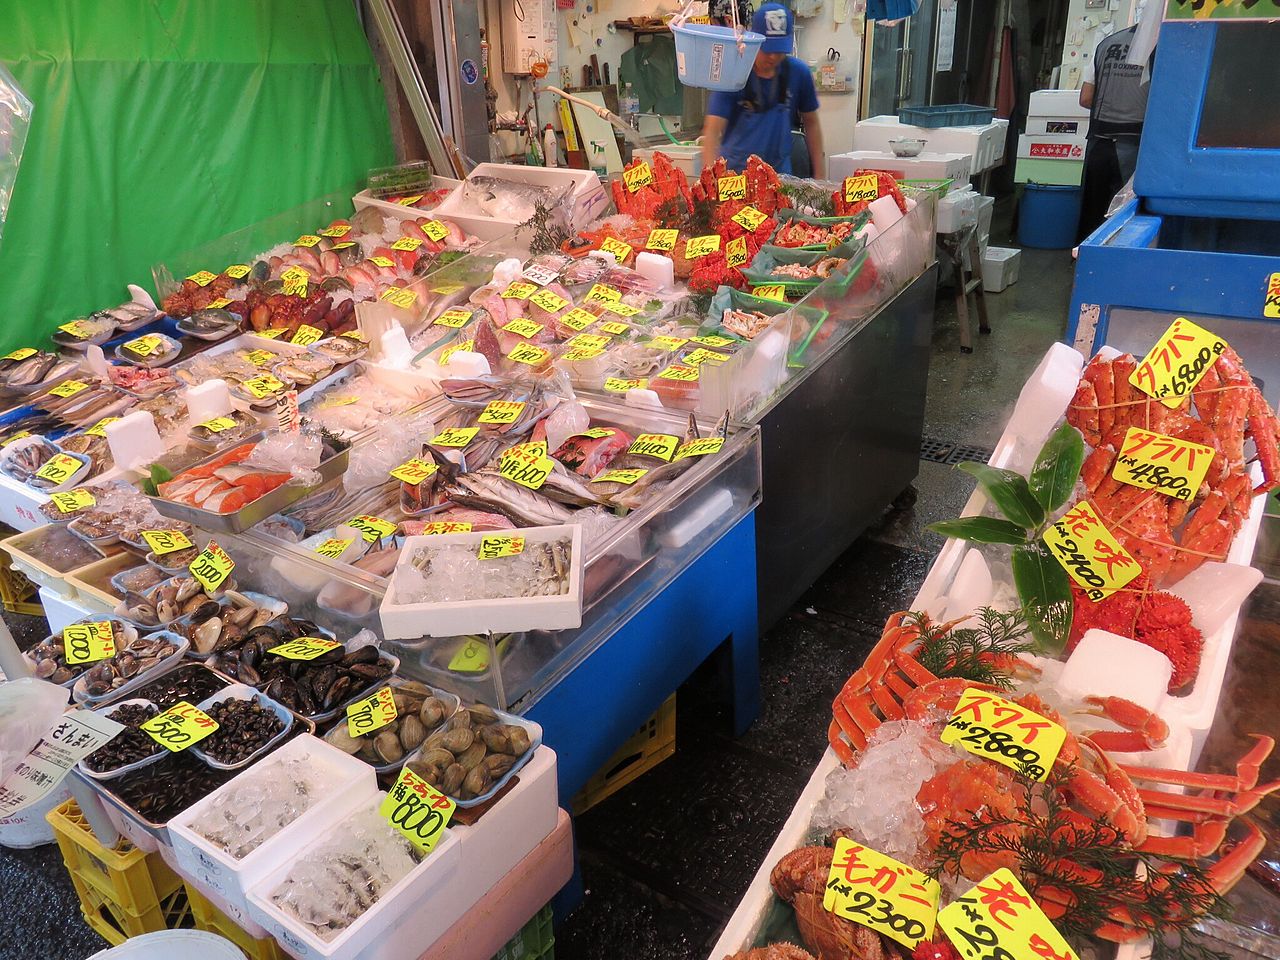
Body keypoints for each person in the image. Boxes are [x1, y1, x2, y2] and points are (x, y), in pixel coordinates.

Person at [700, 3, 825, 177]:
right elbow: (712, 131)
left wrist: (820, 178)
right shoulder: (734, 72)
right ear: (754, 39)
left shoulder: (798, 73)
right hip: (736, 178)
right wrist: (712, 181)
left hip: (781, 178)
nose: (773, 57)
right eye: (768, 49)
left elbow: (812, 123)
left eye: (779, 50)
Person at [1076, 24, 1149, 242]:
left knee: (1092, 206)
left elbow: (1086, 98)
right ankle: (1113, 261)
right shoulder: (1160, 49)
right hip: (1134, 146)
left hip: (1099, 142)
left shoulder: (1106, 44)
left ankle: (1082, 259)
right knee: (1124, 210)